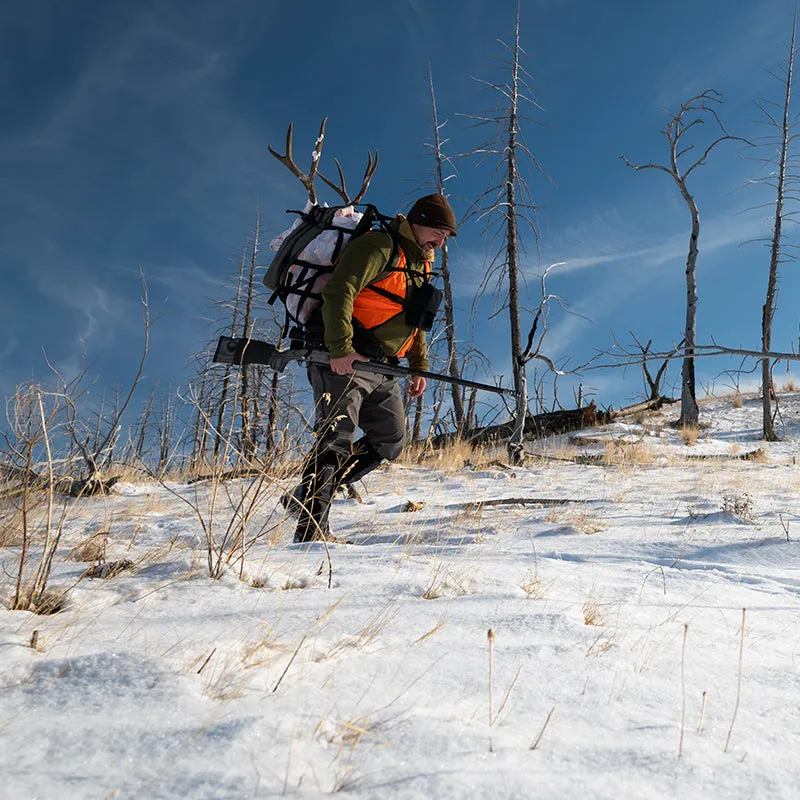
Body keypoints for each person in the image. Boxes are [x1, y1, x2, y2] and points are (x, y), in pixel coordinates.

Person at [288, 193, 457, 543]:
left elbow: (416, 320)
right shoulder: (380, 245)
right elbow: (339, 291)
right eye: (438, 232)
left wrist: (418, 365)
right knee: (336, 439)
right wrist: (340, 349)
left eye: (445, 238)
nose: (441, 242)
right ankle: (311, 532)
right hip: (345, 356)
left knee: (392, 439)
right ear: (416, 221)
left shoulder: (421, 264)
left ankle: (303, 495)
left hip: (384, 366)